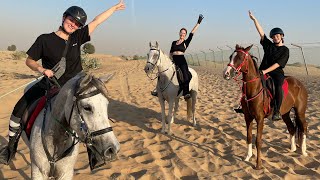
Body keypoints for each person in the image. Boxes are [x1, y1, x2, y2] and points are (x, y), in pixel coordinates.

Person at [0, 0, 125, 165]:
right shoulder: (44, 39)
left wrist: (114, 9)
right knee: (18, 109)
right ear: (64, 17)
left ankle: (95, 155)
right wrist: (41, 69)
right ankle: (11, 147)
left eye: (77, 23)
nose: (73, 25)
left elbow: (97, 21)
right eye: (71, 20)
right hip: (50, 84)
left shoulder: (78, 37)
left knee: (90, 111)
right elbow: (29, 61)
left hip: (75, 86)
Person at [151, 14, 204, 100]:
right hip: (173, 60)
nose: (182, 34)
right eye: (181, 32)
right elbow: (171, 53)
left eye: (184, 33)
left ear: (185, 35)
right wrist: (170, 60)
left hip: (182, 60)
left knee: (185, 74)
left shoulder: (186, 42)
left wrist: (198, 23)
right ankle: (157, 90)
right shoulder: (173, 42)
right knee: (162, 72)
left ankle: (186, 92)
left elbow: (192, 33)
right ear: (179, 33)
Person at [249, 10, 289, 121]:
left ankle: (276, 111)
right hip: (262, 70)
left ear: (281, 36)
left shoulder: (285, 50)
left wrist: (266, 71)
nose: (275, 37)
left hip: (276, 72)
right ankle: (244, 105)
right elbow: (261, 33)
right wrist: (254, 20)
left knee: (278, 86)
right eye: (273, 36)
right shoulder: (269, 45)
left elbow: (278, 64)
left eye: (277, 35)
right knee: (249, 83)